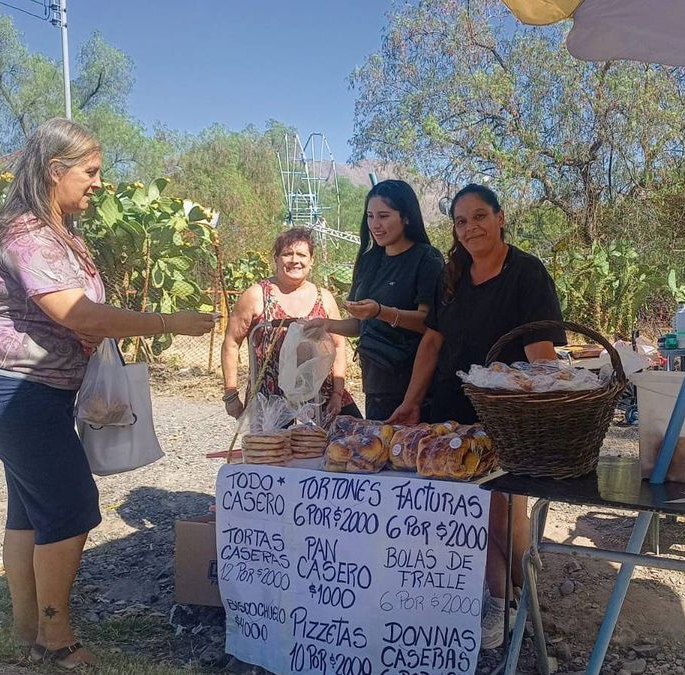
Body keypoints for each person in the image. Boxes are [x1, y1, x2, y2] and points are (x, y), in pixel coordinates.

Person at [0, 118, 217, 669]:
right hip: (13, 388)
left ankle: (28, 632)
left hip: (25, 388)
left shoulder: (54, 231)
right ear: (56, 171)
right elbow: (75, 310)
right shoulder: (29, 236)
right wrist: (172, 322)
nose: (99, 183)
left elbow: (72, 315)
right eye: (91, 172)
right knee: (71, 508)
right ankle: (56, 639)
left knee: (31, 509)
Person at [387, 184, 566, 650]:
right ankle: (494, 599)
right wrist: (412, 401)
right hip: (450, 412)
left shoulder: (527, 273)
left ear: (501, 217)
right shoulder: (453, 274)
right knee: (471, 514)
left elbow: (541, 351)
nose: (471, 228)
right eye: (461, 221)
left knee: (506, 511)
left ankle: (517, 597)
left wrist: (542, 414)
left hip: (506, 416)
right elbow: (432, 342)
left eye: (480, 216)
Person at [307, 179, 444, 420]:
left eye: (384, 216)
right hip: (376, 385)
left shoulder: (427, 259)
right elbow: (362, 323)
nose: (375, 225)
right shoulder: (369, 260)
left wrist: (381, 311)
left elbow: (429, 323)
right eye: (370, 216)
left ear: (406, 217)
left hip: (417, 388)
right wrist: (328, 326)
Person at [221, 227, 358, 419]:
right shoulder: (256, 295)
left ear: (311, 261)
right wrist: (230, 394)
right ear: (276, 259)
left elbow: (338, 345)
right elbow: (231, 342)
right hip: (270, 399)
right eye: (287, 254)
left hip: (321, 397)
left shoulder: (325, 298)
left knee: (352, 440)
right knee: (273, 449)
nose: (295, 260)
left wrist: (337, 393)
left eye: (302, 254)